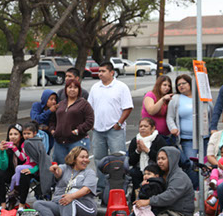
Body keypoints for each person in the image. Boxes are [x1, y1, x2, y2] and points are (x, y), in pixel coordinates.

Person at [96, 147, 195, 216]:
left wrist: (148, 202)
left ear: (172, 159)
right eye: (158, 158)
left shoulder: (179, 177)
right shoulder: (163, 175)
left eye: (163, 159)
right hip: (164, 209)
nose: (160, 161)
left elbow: (169, 196)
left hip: (180, 214)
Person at [35, 146, 97, 216]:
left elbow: (86, 190)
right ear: (74, 158)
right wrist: (55, 170)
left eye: (87, 157)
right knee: (39, 204)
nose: (86, 160)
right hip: (61, 204)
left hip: (85, 206)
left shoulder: (89, 173)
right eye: (82, 157)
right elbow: (59, 172)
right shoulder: (65, 168)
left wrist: (71, 196)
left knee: (67, 199)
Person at [88, 61, 133, 189]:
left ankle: (118, 186)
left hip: (115, 130)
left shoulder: (121, 87)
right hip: (98, 130)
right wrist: (91, 122)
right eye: (99, 71)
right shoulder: (95, 87)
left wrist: (119, 123)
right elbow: (89, 107)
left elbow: (128, 107)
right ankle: (102, 188)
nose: (100, 74)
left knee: (118, 159)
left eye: (103, 71)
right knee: (98, 159)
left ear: (112, 72)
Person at [166, 74, 208, 188]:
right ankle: (194, 190)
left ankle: (206, 190)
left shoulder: (201, 96)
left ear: (190, 84)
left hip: (204, 137)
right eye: (178, 84)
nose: (181, 86)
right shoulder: (176, 99)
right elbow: (169, 117)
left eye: (183, 83)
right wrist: (173, 128)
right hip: (187, 139)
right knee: (191, 165)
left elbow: (210, 111)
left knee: (206, 164)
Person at [50, 78, 94, 165]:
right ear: (66, 89)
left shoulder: (84, 104)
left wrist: (77, 131)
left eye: (75, 88)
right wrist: (53, 130)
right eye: (69, 87)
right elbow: (53, 120)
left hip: (77, 141)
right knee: (60, 169)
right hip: (59, 142)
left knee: (76, 167)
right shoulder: (61, 104)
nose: (72, 90)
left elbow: (90, 121)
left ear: (79, 90)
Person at [10, 122, 53, 209]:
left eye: (28, 133)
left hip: (38, 170)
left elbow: (40, 161)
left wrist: (33, 170)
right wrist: (14, 148)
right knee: (14, 177)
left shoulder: (37, 144)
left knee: (22, 172)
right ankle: (12, 193)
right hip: (28, 165)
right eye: (24, 134)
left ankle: (20, 196)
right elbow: (23, 157)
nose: (26, 136)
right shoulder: (25, 143)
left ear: (35, 133)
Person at [127, 117, 167, 193]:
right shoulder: (135, 140)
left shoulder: (159, 140)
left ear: (153, 128)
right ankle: (137, 195)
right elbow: (131, 161)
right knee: (134, 172)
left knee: (151, 174)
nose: (142, 128)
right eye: (141, 126)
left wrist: (147, 150)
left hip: (155, 167)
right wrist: (138, 151)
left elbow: (162, 159)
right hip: (139, 168)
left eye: (146, 126)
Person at [0, 123, 25, 213]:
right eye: (10, 134)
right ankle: (2, 205)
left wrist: (16, 149)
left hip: (23, 171)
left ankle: (21, 205)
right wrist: (2, 152)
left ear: (21, 135)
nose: (13, 137)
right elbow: (3, 167)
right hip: (10, 171)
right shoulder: (8, 147)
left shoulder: (24, 146)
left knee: (24, 175)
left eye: (16, 134)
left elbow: (25, 160)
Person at [141, 75, 173, 139]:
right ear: (158, 85)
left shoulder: (168, 98)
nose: (167, 88)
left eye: (169, 86)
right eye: (164, 85)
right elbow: (151, 111)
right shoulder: (150, 95)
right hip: (151, 136)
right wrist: (162, 99)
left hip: (166, 135)